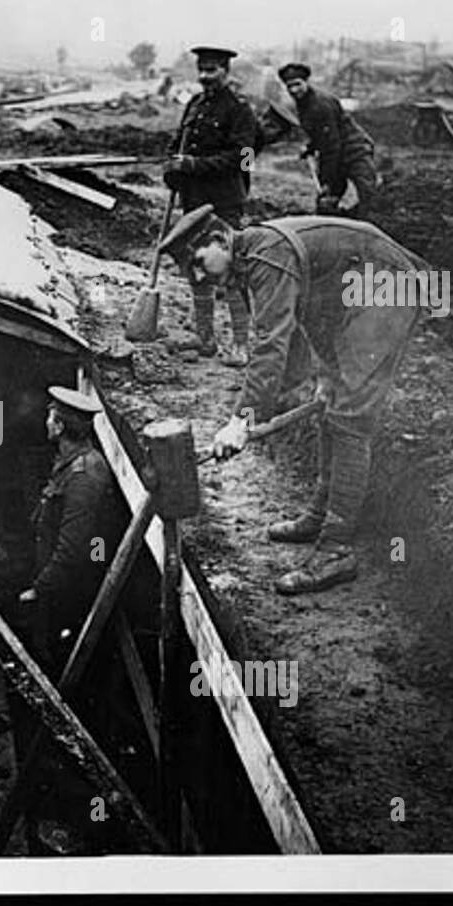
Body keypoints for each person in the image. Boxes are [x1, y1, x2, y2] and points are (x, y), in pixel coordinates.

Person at [159, 204, 428, 595]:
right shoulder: (250, 260)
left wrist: (242, 420)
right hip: (356, 296)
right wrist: (326, 371)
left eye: (198, 263)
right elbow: (309, 315)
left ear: (219, 240)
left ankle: (336, 550)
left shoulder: (267, 258)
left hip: (388, 287)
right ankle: (320, 516)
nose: (198, 276)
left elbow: (272, 345)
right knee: (331, 412)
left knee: (351, 420)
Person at [165, 45, 260, 365]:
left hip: (223, 200)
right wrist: (173, 169)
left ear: (226, 72)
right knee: (198, 267)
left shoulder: (239, 110)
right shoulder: (194, 104)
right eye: (202, 70)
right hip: (194, 200)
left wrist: (192, 165)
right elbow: (178, 142)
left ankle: (241, 344)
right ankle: (205, 339)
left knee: (230, 269)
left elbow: (241, 157)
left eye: (213, 70)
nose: (206, 76)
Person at [19, 387, 123, 675]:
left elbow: (73, 549)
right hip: (59, 575)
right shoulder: (69, 459)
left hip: (70, 584)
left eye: (50, 417)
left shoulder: (84, 476)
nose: (46, 422)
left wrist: (39, 589)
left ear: (60, 426)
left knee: (59, 646)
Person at [278, 62, 379, 218]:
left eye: (297, 84)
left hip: (355, 150)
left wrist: (326, 180)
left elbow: (331, 146)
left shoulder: (320, 104)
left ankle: (375, 227)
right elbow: (321, 135)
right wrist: (311, 148)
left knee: (369, 197)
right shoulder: (304, 103)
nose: (293, 90)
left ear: (306, 82)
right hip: (336, 151)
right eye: (289, 86)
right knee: (326, 202)